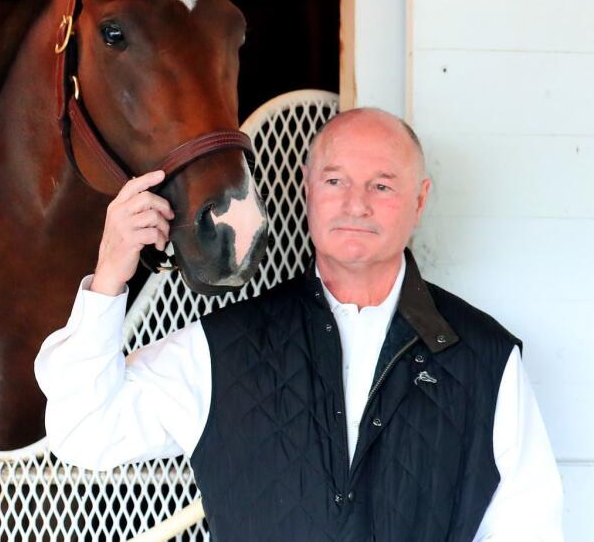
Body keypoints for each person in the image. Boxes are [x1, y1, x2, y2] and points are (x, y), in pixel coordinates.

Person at [34, 108, 564, 541]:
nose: (356, 203)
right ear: (308, 188)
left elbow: (528, 528)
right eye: (336, 180)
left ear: (420, 199)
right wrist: (109, 277)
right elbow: (86, 432)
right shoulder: (224, 349)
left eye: (382, 185)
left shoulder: (484, 358)